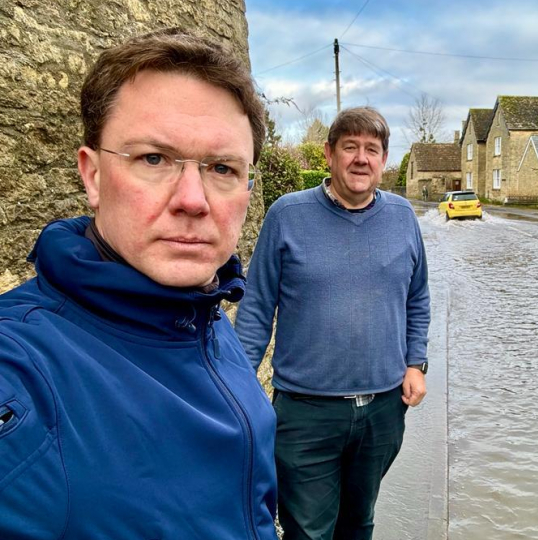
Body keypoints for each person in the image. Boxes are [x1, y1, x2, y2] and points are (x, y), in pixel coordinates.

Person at [0, 29, 278, 539]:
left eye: (222, 168)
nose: (193, 199)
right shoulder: (19, 367)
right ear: (93, 176)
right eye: (153, 158)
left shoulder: (205, 312)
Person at [235, 106, 431, 540]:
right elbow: (256, 307)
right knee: (308, 531)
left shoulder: (402, 218)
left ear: (383, 160)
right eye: (350, 147)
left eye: (372, 150)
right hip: (306, 413)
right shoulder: (287, 215)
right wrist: (236, 387)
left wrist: (416, 362)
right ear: (329, 154)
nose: (361, 158)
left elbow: (417, 296)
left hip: (383, 410)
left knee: (359, 523)